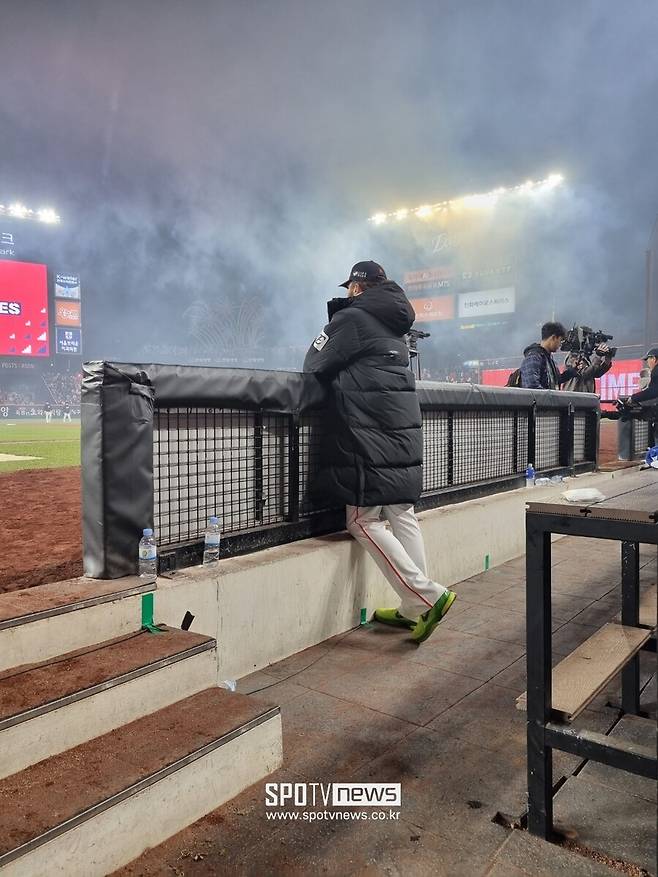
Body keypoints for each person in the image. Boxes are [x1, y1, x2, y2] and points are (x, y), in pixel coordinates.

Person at [303, 261, 456, 644]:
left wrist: (336, 320)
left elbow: (314, 363)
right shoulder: (396, 325)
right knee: (401, 512)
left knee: (361, 520)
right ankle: (413, 608)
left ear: (357, 287)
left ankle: (427, 596)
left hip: (367, 434)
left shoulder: (352, 319)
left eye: (350, 287)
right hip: (401, 433)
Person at [519, 322, 576, 390]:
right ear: (553, 337)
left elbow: (555, 382)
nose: (560, 345)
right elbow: (532, 388)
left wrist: (571, 371)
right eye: (560, 340)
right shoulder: (533, 357)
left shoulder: (548, 358)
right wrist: (551, 396)